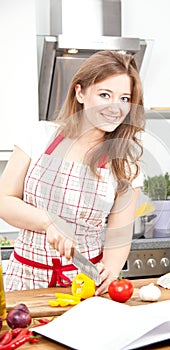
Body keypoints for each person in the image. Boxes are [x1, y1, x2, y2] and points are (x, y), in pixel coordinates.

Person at [0, 50, 145, 295]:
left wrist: (108, 272)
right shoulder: (39, 136)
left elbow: (119, 235)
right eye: (104, 95)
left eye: (123, 99)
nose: (115, 108)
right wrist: (48, 223)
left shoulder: (127, 164)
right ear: (80, 93)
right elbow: (4, 201)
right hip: (24, 281)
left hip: (83, 285)